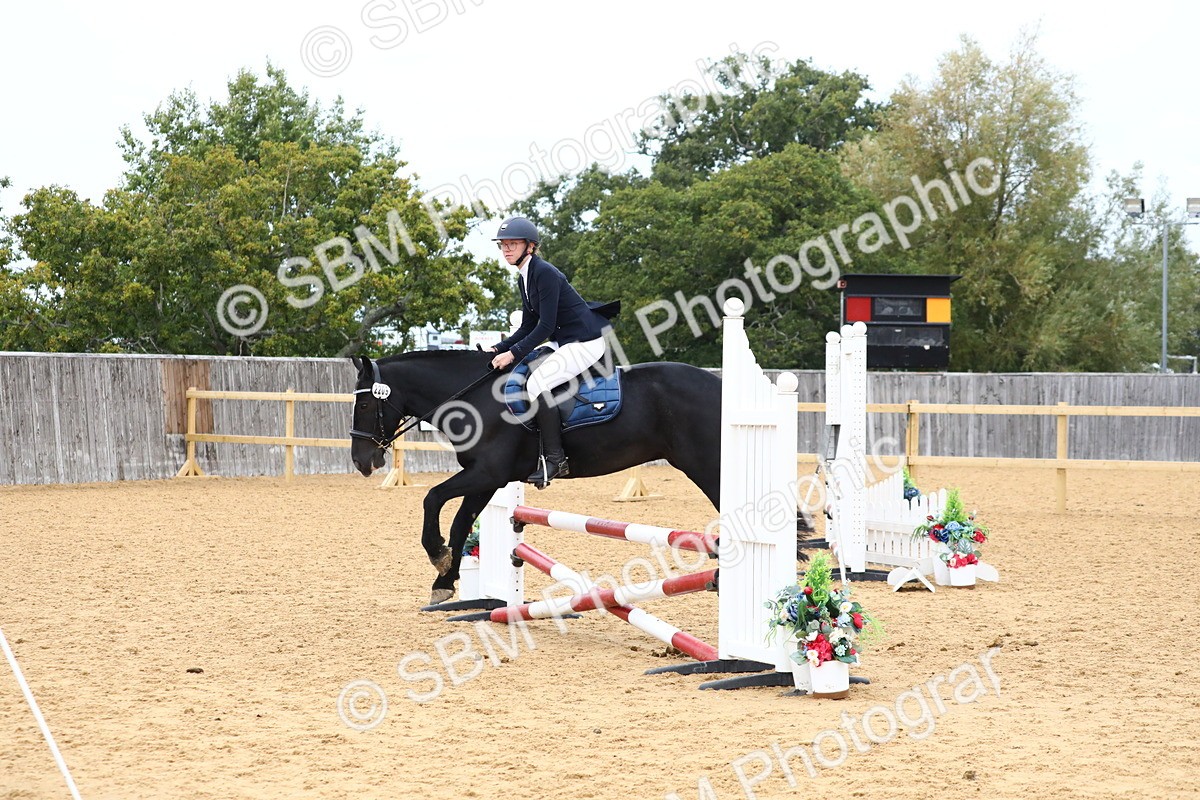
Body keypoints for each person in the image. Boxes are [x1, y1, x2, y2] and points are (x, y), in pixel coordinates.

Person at [487, 216, 619, 487]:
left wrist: (513, 354)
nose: (507, 249)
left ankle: (556, 459)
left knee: (538, 383)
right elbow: (528, 326)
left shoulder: (543, 272)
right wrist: (498, 347)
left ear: (530, 247)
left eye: (513, 244)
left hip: (585, 341)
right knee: (525, 373)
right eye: (503, 245)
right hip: (565, 340)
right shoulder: (524, 276)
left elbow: (545, 325)